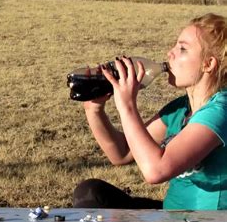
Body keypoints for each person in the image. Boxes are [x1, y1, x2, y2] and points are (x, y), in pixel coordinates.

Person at [73, 13, 226, 210]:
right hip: (172, 219)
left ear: (208, 64)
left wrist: (127, 106)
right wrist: (94, 109)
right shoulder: (181, 108)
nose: (170, 53)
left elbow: (155, 171)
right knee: (90, 193)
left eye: (182, 49)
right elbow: (122, 153)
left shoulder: (220, 111)